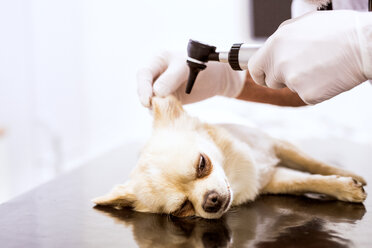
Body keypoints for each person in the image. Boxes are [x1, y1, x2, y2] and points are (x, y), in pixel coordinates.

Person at [137, 0, 372, 108]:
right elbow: (305, 77)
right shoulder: (309, 6)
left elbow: (352, 48)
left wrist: (364, 43)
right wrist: (227, 79)